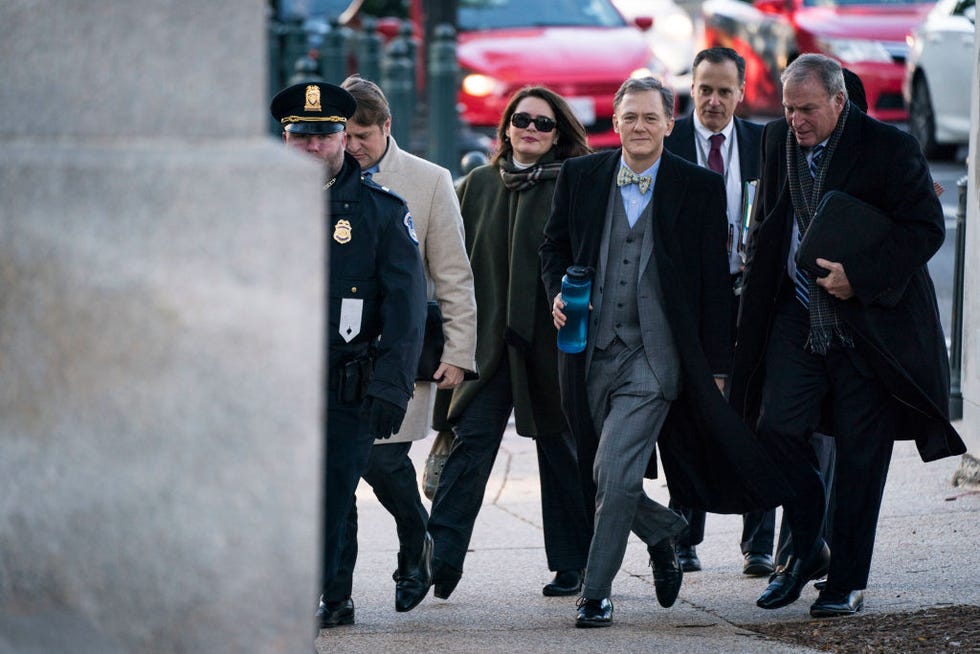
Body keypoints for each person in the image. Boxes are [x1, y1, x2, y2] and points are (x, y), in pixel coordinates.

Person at [540, 76, 791, 628]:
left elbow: (710, 283)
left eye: (651, 118)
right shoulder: (581, 176)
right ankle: (663, 528)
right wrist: (558, 290)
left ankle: (596, 591)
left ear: (668, 124)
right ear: (615, 121)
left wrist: (719, 367)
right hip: (587, 349)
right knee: (603, 473)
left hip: (657, 356)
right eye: (630, 117)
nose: (640, 127)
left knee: (616, 469)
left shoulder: (696, 187)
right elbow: (553, 246)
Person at [729, 53, 965, 618]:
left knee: (861, 457)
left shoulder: (889, 148)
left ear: (839, 101)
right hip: (793, 316)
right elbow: (768, 224)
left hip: (869, 327)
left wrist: (858, 277)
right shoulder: (774, 140)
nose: (796, 121)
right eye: (788, 109)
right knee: (775, 430)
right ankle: (809, 544)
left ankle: (846, 582)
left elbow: (925, 230)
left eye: (807, 109)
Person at [398, 86, 595, 611]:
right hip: (486, 348)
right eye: (522, 119)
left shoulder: (573, 184)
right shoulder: (475, 185)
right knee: (471, 444)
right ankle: (438, 561)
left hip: (551, 346)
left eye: (544, 123)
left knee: (560, 452)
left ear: (559, 135)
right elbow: (446, 267)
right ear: (506, 126)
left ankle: (571, 564)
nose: (531, 128)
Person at [268, 81, 427, 630]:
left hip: (346, 384)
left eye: (323, 135)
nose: (311, 147)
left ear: (343, 140)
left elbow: (407, 312)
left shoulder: (381, 213)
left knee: (332, 493)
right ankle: (332, 595)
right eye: (299, 136)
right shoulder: (254, 207)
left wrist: (392, 385)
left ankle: (314, 595)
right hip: (273, 382)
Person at [319, 75, 478, 620]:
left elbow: (453, 274)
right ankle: (336, 596)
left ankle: (416, 539)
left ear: (387, 127)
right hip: (336, 358)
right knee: (339, 476)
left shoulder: (429, 181)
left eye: (363, 133)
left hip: (401, 356)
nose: (355, 144)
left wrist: (459, 350)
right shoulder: (321, 181)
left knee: (382, 460)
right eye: (347, 134)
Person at [662, 46, 775, 578]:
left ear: (740, 93)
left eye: (723, 90)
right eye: (704, 89)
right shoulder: (670, 141)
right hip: (689, 300)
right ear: (691, 88)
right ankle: (685, 536)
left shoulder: (764, 144)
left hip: (749, 297)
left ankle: (759, 544)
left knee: (756, 415)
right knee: (690, 416)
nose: (712, 100)